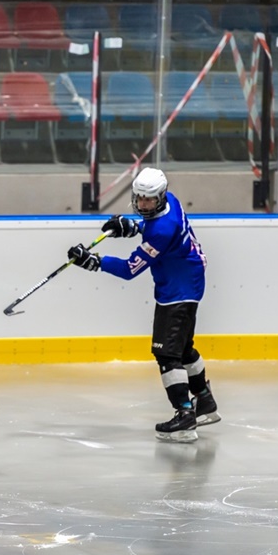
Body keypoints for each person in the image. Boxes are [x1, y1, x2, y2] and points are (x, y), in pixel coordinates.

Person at [66, 167, 220, 443]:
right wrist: (132, 227)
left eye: (149, 200)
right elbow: (151, 227)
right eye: (139, 199)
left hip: (178, 290)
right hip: (188, 280)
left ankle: (184, 415)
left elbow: (129, 269)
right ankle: (204, 401)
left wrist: (95, 261)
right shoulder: (171, 200)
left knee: (166, 354)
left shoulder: (162, 230)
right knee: (183, 349)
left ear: (160, 196)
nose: (143, 204)